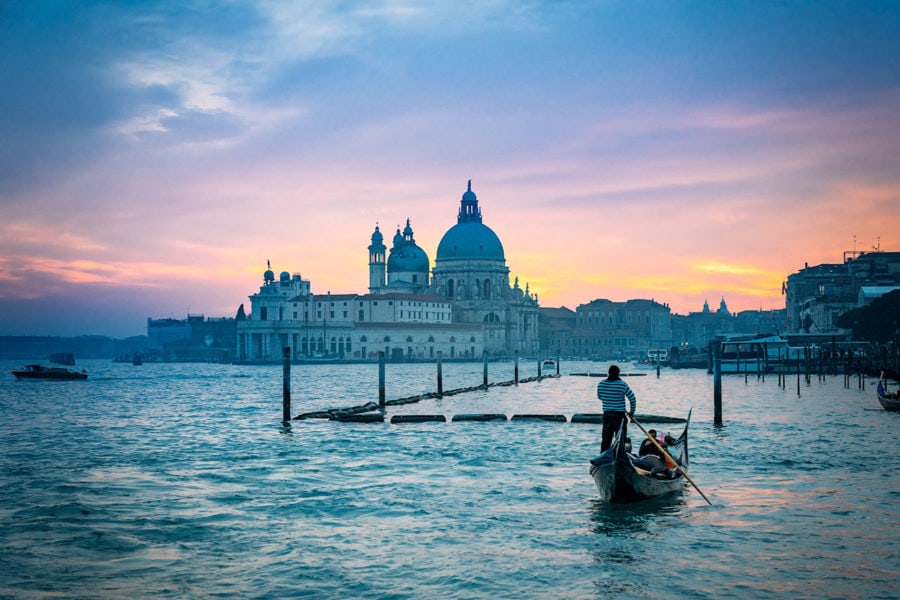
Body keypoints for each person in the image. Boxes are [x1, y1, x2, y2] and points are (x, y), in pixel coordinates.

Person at [597, 364, 636, 452]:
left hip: (607, 415)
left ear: (608, 373)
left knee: (606, 441)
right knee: (621, 441)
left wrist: (609, 399)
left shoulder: (601, 384)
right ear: (618, 373)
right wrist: (632, 412)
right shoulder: (622, 384)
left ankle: (603, 460)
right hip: (619, 416)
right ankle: (619, 458)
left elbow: (600, 397)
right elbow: (632, 398)